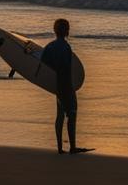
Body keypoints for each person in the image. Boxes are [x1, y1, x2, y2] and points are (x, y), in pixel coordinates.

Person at [39, 18, 91, 155]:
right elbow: (67, 69)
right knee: (72, 114)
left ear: (54, 31)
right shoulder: (66, 47)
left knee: (60, 116)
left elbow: (42, 62)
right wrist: (70, 87)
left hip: (57, 85)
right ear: (67, 31)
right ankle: (72, 147)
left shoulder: (50, 46)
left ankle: (60, 148)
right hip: (66, 85)